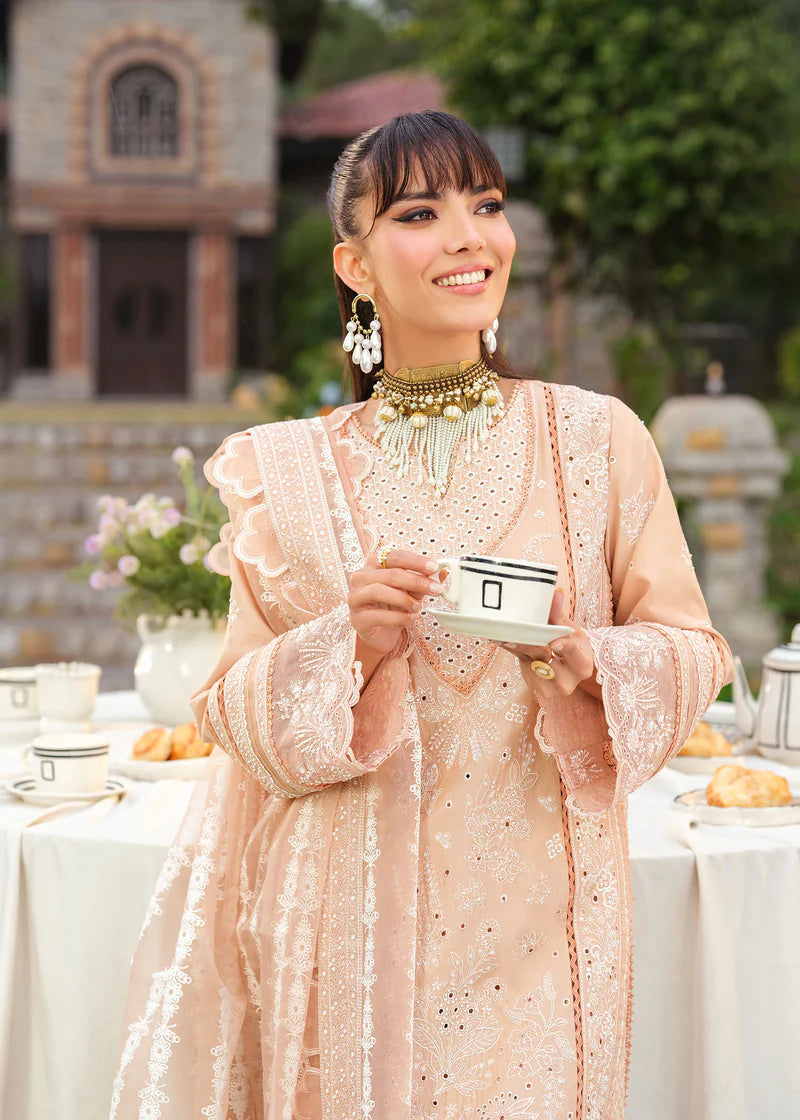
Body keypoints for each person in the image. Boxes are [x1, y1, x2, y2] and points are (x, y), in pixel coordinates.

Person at [110, 111, 733, 1120]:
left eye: (484, 205)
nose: (467, 236)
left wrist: (595, 662)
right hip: (342, 933)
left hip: (544, 923)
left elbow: (694, 648)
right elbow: (227, 705)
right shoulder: (284, 470)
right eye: (420, 212)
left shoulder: (593, 438)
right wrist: (341, 645)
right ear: (354, 264)